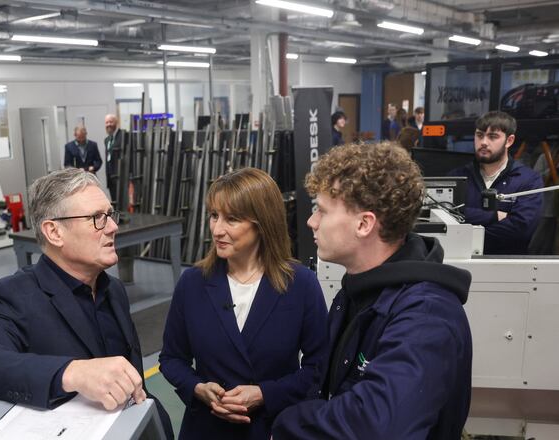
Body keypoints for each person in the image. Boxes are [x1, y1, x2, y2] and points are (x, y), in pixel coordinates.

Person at [272, 142, 473, 439]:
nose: (311, 221)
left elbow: (379, 426)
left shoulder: (427, 316)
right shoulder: (355, 292)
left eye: (322, 211)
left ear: (364, 224)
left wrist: (290, 423)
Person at [0, 168, 173, 439]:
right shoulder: (15, 296)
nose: (114, 227)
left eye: (110, 215)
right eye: (97, 218)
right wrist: (71, 372)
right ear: (54, 232)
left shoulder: (113, 289)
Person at [159, 167, 328, 440]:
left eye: (232, 219)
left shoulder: (301, 285)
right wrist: (197, 388)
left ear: (263, 224)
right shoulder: (192, 283)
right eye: (214, 216)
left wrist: (265, 394)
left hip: (271, 428)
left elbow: (319, 368)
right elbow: (171, 358)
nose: (218, 229)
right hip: (206, 429)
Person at [448, 111, 543, 255]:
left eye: (493, 136)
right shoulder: (457, 177)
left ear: (509, 141)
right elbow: (445, 217)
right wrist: (494, 216)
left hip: (509, 266)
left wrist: (464, 231)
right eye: (479, 135)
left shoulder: (528, 180)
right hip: (461, 264)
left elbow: (520, 231)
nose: (484, 142)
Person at [528, 143, 559, 255]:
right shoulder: (545, 157)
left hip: (555, 212)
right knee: (538, 241)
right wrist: (552, 170)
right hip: (546, 207)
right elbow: (535, 179)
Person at [104, 114, 125, 204]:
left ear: (116, 123)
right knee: (115, 202)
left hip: (121, 176)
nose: (108, 124)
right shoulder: (107, 139)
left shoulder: (123, 136)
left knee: (122, 203)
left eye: (111, 122)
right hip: (110, 177)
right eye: (106, 122)